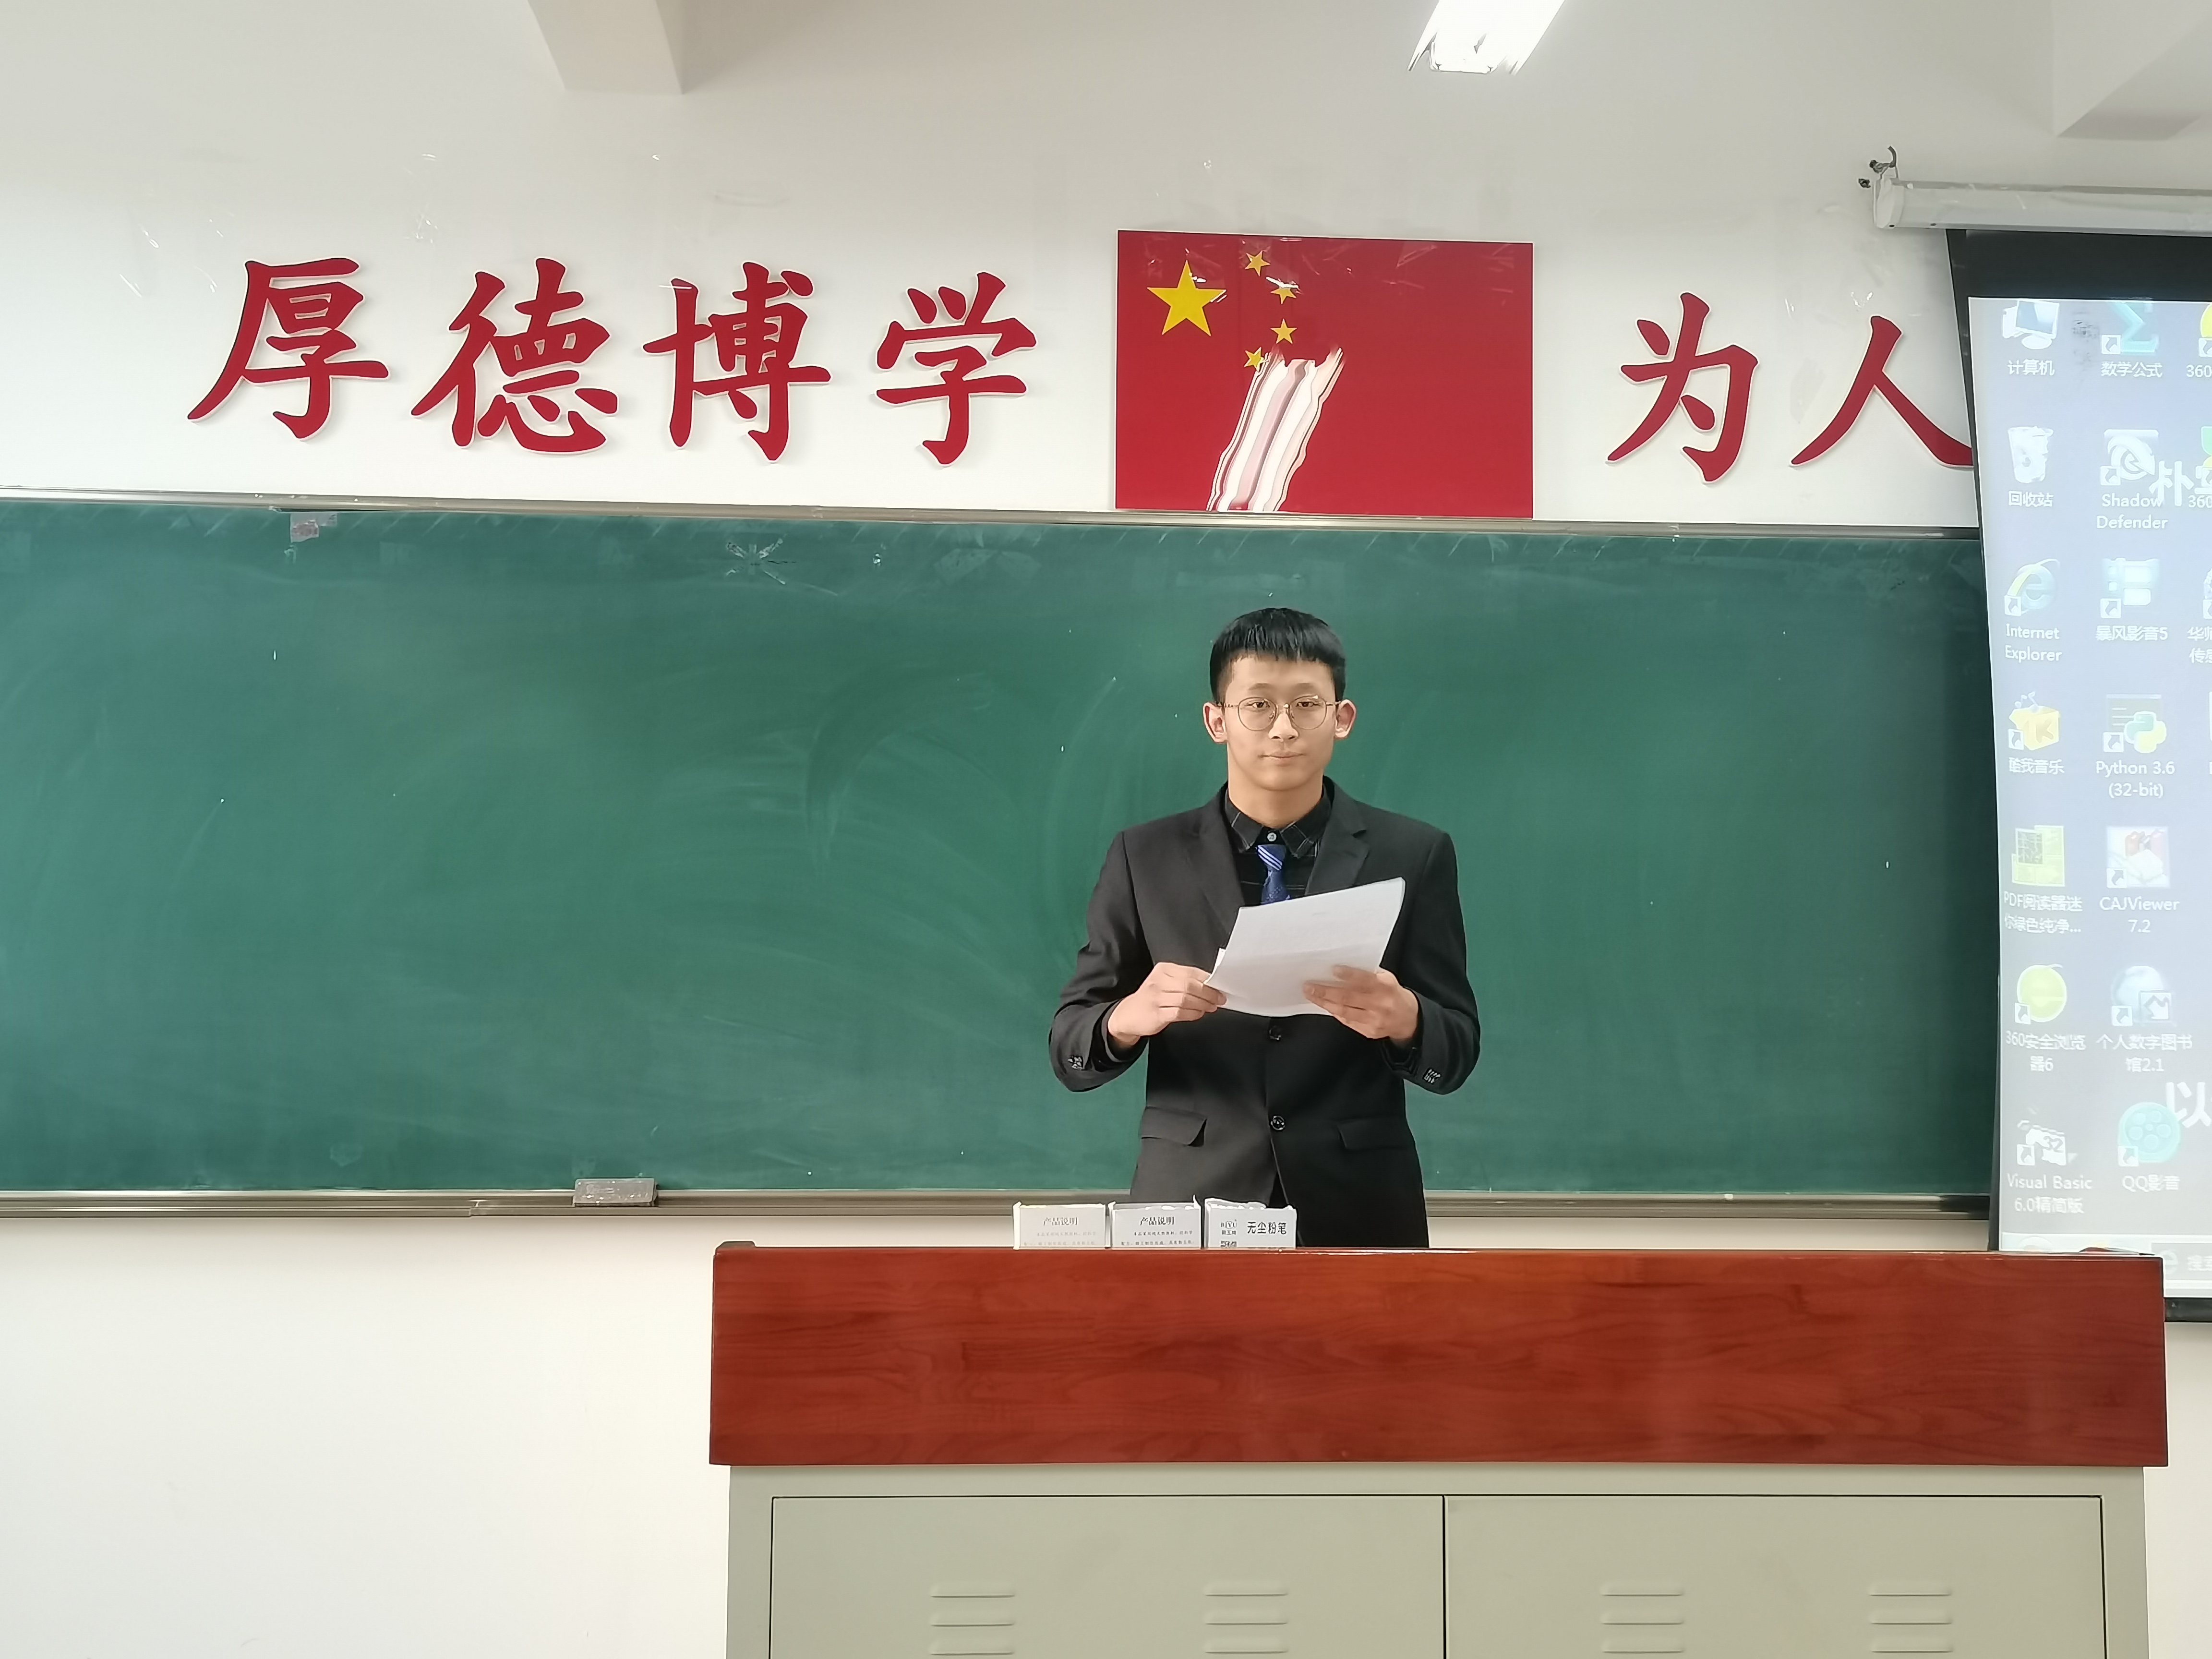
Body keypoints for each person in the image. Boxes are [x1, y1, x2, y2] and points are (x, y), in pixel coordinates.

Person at [1049, 607, 1479, 1247]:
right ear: (1217, 721)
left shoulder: (1413, 853)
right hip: (1190, 1205)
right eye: (1258, 706)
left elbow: (1459, 1047)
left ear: (1342, 718)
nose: (1283, 728)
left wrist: (1408, 1019)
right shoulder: (1145, 855)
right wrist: (1127, 1017)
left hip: (1360, 1206)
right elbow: (1070, 1048)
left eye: (1306, 705)